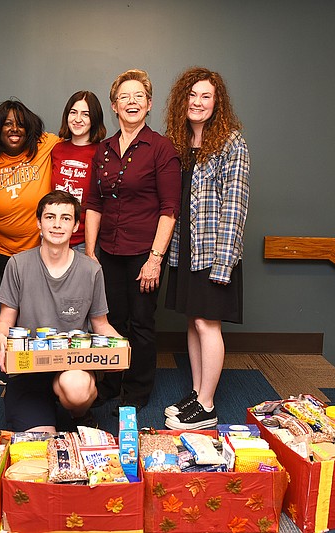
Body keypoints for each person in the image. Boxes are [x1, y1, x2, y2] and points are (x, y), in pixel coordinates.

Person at [83, 69, 181, 411]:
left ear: (149, 104)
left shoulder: (161, 148)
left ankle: (138, 392)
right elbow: (93, 203)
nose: (131, 102)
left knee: (140, 322)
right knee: (110, 319)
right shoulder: (104, 150)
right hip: (107, 249)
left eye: (139, 96)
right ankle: (110, 384)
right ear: (114, 106)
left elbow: (170, 209)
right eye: (124, 96)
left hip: (145, 251)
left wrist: (155, 259)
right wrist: (91, 252)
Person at [162, 67, 250, 430]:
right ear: (183, 101)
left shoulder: (232, 142)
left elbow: (236, 204)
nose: (197, 103)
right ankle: (198, 393)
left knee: (206, 322)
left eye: (206, 97)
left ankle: (208, 405)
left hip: (214, 250)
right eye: (192, 95)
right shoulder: (179, 142)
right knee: (192, 321)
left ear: (217, 103)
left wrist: (223, 262)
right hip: (185, 248)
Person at [0, 190, 120, 432]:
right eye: (50, 217)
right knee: (41, 445)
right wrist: (1, 337)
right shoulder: (17, 264)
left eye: (65, 218)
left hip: (72, 365)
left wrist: (120, 348)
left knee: (76, 388)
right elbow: (5, 321)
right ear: (38, 223)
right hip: (28, 368)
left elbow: (101, 324)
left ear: (75, 226)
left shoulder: (91, 270)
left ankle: (79, 415)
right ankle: (40, 411)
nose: (57, 224)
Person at [0, 100, 60, 276]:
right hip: (4, 251)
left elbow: (78, 143)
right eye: (7, 124)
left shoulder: (45, 145)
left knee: (41, 301)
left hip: (41, 248)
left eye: (20, 124)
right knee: (11, 302)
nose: (14, 129)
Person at [50, 91, 106, 253]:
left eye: (86, 114)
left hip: (86, 241)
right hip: (54, 236)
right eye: (73, 112)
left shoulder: (102, 152)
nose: (78, 119)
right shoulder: (57, 149)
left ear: (94, 119)